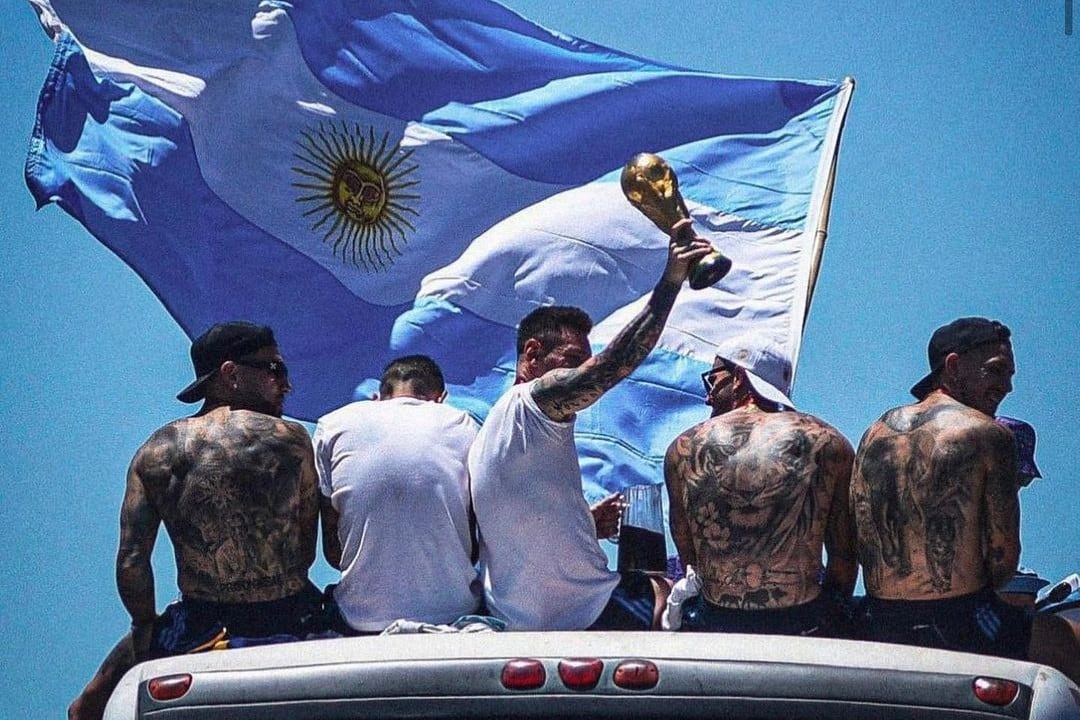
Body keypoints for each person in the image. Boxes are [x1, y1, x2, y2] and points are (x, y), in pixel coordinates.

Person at [69, 322, 323, 720]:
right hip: (291, 617)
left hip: (201, 628)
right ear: (230, 374)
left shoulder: (154, 452)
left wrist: (143, 632)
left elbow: (132, 560)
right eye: (274, 369)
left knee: (87, 707)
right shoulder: (290, 440)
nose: (285, 384)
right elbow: (307, 549)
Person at [468, 219, 713, 631]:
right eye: (571, 360)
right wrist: (671, 281)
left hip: (516, 620)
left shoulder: (494, 432)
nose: (582, 370)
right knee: (682, 598)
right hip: (589, 613)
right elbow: (613, 366)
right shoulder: (532, 400)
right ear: (532, 353)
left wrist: (585, 522)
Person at [851, 317, 1079, 682]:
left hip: (879, 621)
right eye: (997, 371)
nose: (1007, 386)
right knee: (1068, 639)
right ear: (954, 366)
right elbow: (1004, 558)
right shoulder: (989, 435)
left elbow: (859, 537)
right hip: (959, 623)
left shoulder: (873, 434)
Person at [663, 338, 857, 635]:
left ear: (740, 378)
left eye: (713, 381)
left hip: (717, 621)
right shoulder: (829, 442)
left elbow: (692, 561)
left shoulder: (683, 449)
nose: (708, 396)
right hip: (803, 621)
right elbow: (843, 560)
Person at [313, 355, 483, 633]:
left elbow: (334, 552)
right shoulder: (463, 424)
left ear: (377, 397)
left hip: (359, 618)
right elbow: (475, 547)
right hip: (455, 612)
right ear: (440, 398)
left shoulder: (332, 424)